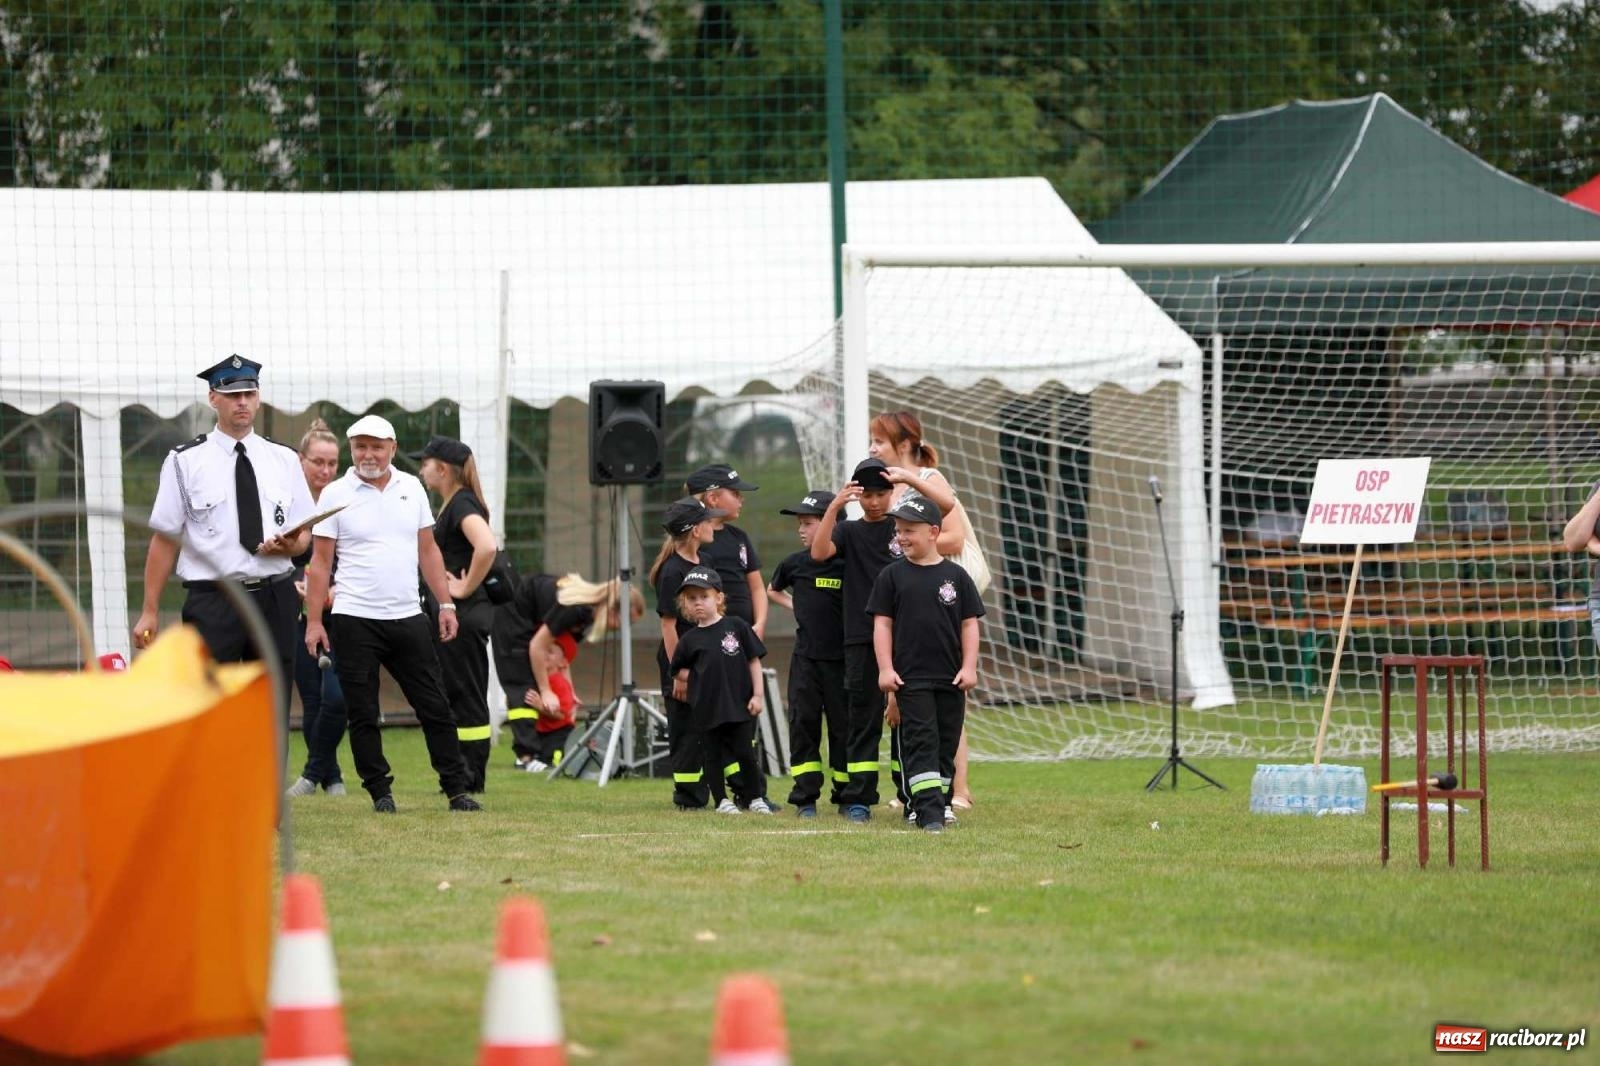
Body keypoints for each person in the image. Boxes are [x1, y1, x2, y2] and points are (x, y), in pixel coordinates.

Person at [301, 414, 482, 813]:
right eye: (360, 446)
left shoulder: (412, 487)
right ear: (351, 450)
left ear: (392, 449)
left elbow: (428, 550)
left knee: (435, 705)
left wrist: (446, 603)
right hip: (353, 617)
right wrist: (314, 621)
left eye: (376, 446)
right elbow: (320, 562)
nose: (368, 454)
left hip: (408, 616)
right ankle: (380, 792)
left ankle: (457, 789)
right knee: (363, 712)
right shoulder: (334, 493)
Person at [133, 356, 316, 738]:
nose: (243, 402)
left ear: (259, 398)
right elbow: (165, 539)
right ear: (213, 398)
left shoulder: (283, 459)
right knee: (206, 703)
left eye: (249, 393)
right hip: (215, 599)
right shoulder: (185, 461)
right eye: (233, 394)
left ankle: (264, 797)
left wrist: (289, 547)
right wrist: (149, 610)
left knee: (271, 704)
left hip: (274, 596)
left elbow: (304, 536)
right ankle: (210, 795)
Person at [869, 409, 978, 812]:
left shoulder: (928, 480)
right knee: (906, 698)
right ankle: (914, 787)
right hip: (899, 599)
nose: (872, 448)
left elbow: (953, 534)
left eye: (879, 441)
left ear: (903, 445)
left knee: (945, 700)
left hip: (936, 600)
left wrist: (913, 549)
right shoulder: (882, 486)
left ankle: (957, 789)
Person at [810, 457, 902, 822]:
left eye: (881, 494)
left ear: (892, 493)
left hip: (906, 637)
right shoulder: (848, 532)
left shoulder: (903, 527)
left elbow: (945, 517)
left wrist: (910, 477)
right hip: (860, 639)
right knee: (862, 719)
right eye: (867, 495)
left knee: (909, 718)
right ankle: (859, 798)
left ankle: (911, 793)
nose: (875, 502)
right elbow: (818, 552)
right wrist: (835, 505)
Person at [411, 435, 497, 793]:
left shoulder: (462, 504)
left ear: (442, 469)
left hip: (463, 615)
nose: (421, 470)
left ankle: (470, 776)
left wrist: (463, 588)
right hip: (457, 617)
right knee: (457, 694)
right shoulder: (453, 503)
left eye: (425, 463)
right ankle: (461, 773)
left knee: (466, 696)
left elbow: (487, 545)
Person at [494, 573, 644, 770]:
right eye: (626, 621)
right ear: (613, 610)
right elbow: (537, 647)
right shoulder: (577, 610)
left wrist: (569, 691)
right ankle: (526, 756)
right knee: (522, 684)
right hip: (513, 616)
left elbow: (562, 653)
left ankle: (536, 752)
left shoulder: (586, 617)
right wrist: (546, 690)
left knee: (533, 681)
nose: (624, 628)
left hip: (530, 620)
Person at [767, 488, 847, 818]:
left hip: (844, 661)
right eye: (800, 523)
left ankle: (847, 796)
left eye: (809, 523)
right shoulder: (794, 564)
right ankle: (805, 798)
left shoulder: (849, 563)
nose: (802, 529)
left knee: (844, 729)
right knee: (804, 726)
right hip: (806, 660)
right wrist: (796, 606)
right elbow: (772, 590)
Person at [669, 566, 774, 815]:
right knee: (712, 756)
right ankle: (721, 801)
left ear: (719, 598)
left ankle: (755, 798)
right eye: (692, 598)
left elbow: (753, 660)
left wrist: (757, 695)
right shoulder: (689, 640)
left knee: (746, 755)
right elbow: (677, 671)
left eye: (704, 597)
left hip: (738, 705)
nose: (698, 603)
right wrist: (697, 679)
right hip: (706, 709)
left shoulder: (736, 626)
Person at [285, 419, 349, 797]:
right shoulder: (287, 502)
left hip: (342, 611)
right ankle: (330, 776)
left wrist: (339, 587)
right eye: (318, 462)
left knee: (336, 696)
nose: (325, 471)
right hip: (298, 611)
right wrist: (296, 581)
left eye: (332, 463)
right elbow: (277, 550)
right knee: (310, 695)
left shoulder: (343, 501)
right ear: (301, 461)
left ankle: (315, 773)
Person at [649, 496, 725, 809]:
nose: (714, 525)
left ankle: (722, 791)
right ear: (695, 530)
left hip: (708, 661)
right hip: (684, 663)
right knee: (686, 730)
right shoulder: (671, 572)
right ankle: (688, 797)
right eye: (708, 521)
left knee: (710, 726)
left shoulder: (705, 562)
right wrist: (679, 671)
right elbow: (669, 627)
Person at [684, 463, 769, 638]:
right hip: (708, 638)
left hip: (744, 633)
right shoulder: (692, 540)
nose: (741, 499)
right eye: (735, 493)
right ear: (713, 498)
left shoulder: (740, 537)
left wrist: (760, 623)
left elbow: (757, 588)